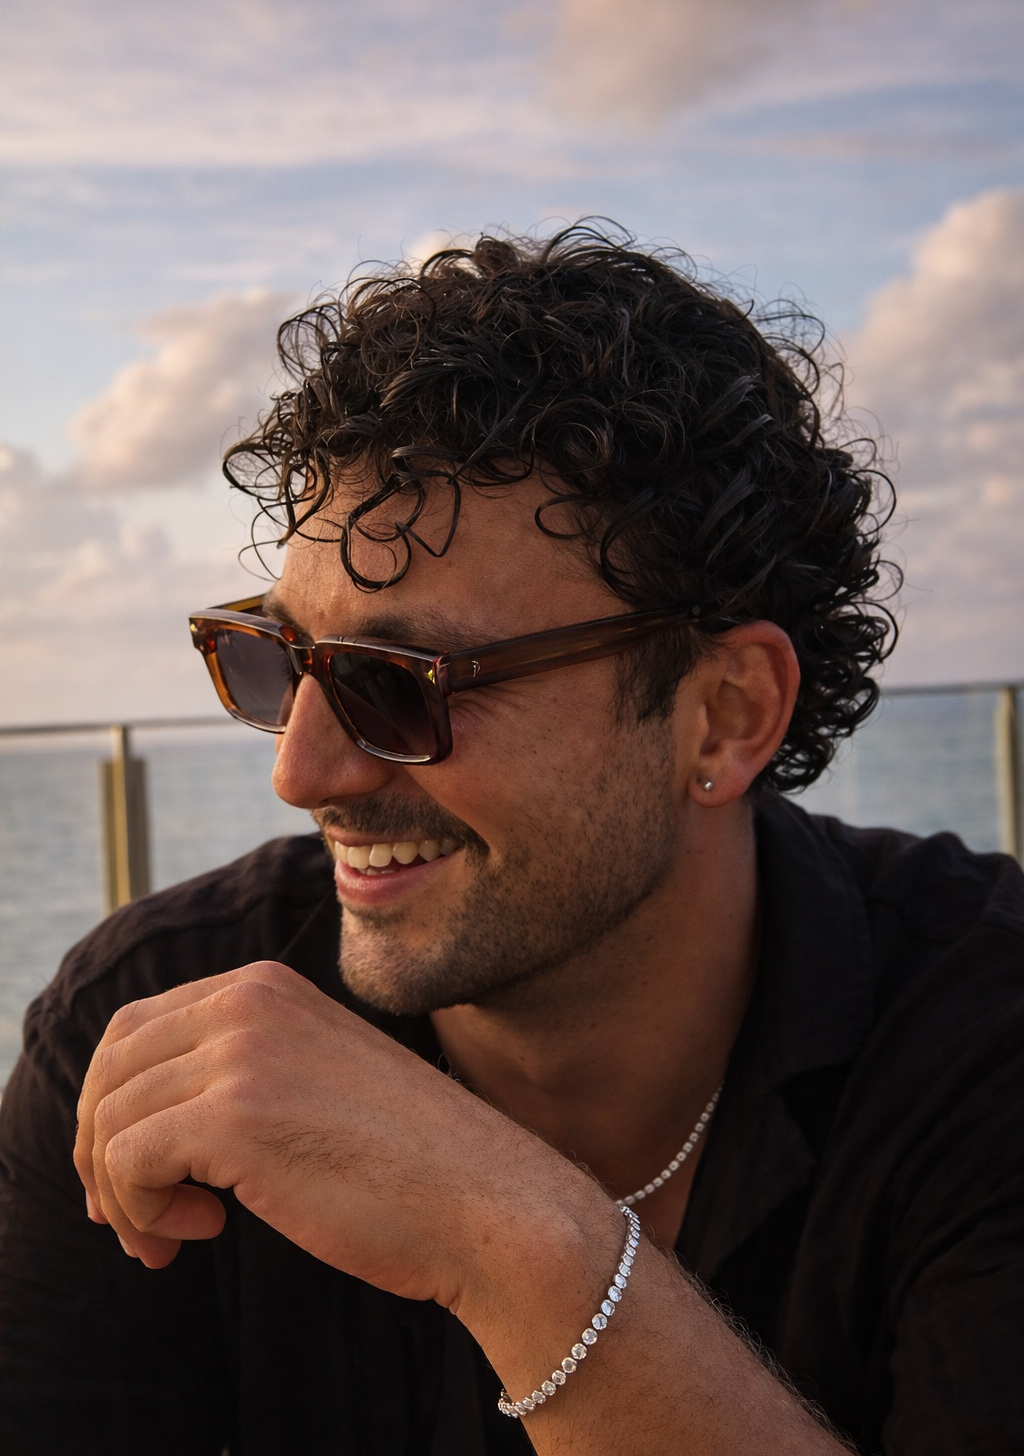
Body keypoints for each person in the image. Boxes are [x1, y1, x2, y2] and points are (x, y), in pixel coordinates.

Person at [1, 227, 1022, 1456]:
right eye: (275, 661)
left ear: (724, 713)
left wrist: (520, 1246)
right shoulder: (155, 1029)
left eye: (400, 681)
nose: (300, 771)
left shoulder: (984, 1036)